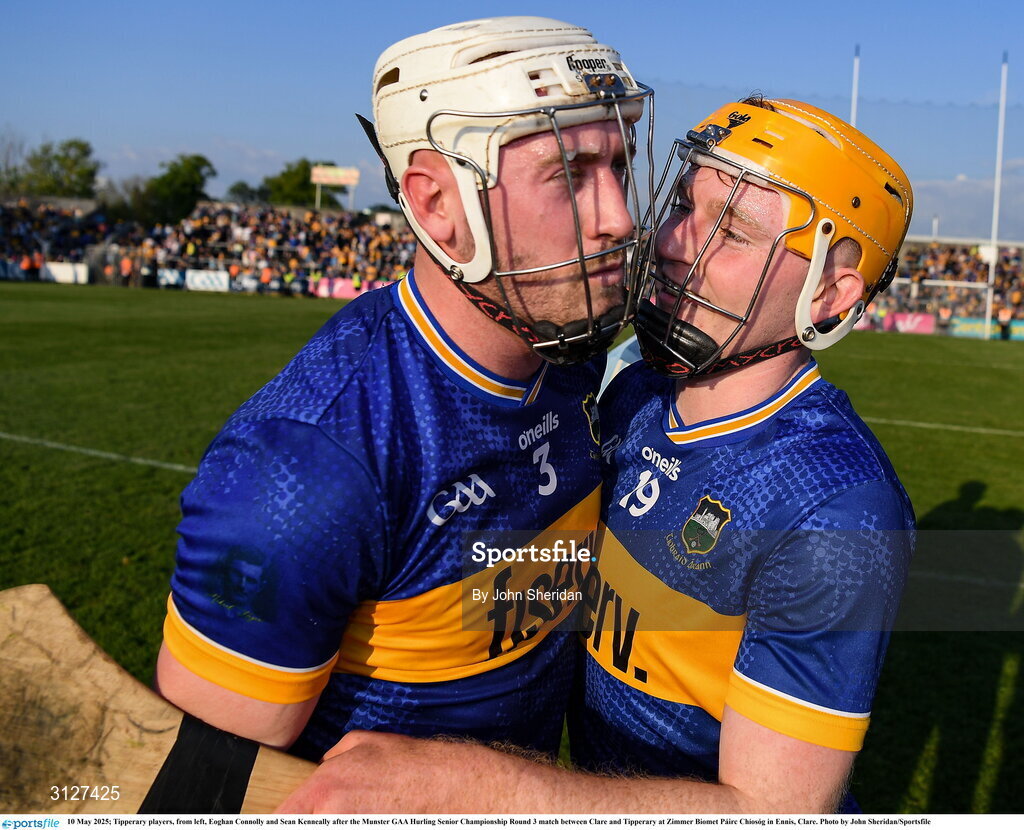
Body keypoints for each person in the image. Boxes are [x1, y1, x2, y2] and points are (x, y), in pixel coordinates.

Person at [279, 97, 915, 814]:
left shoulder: (835, 507)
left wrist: (474, 785)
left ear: (830, 296)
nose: (676, 242)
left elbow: (775, 813)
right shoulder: (628, 389)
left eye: (732, 229)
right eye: (682, 205)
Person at [154, 16, 652, 765]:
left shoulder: (572, 354)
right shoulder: (304, 471)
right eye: (571, 177)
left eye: (621, 167)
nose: (621, 217)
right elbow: (205, 788)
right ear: (437, 205)